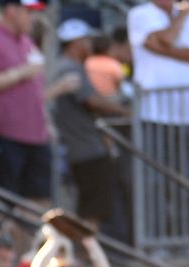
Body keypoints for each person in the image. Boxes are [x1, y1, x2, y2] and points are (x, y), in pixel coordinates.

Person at [128, 0, 189, 255]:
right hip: (153, 114)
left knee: (186, 181)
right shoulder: (140, 14)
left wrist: (163, 47)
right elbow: (161, 40)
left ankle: (185, 242)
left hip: (188, 114)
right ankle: (156, 244)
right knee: (153, 182)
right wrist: (180, 20)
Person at [50, 19, 130, 229]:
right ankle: (86, 254)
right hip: (85, 148)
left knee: (91, 206)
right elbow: (91, 101)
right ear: (75, 43)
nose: (89, 44)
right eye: (85, 40)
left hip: (85, 146)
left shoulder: (75, 66)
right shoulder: (69, 68)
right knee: (91, 208)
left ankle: (85, 252)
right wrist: (125, 111)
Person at [0, 0, 51, 204]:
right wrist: (21, 73)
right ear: (11, 10)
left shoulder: (27, 42)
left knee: (39, 200)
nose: (33, 17)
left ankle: (32, 238)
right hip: (6, 136)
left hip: (36, 135)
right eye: (28, 12)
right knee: (7, 202)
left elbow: (35, 90)